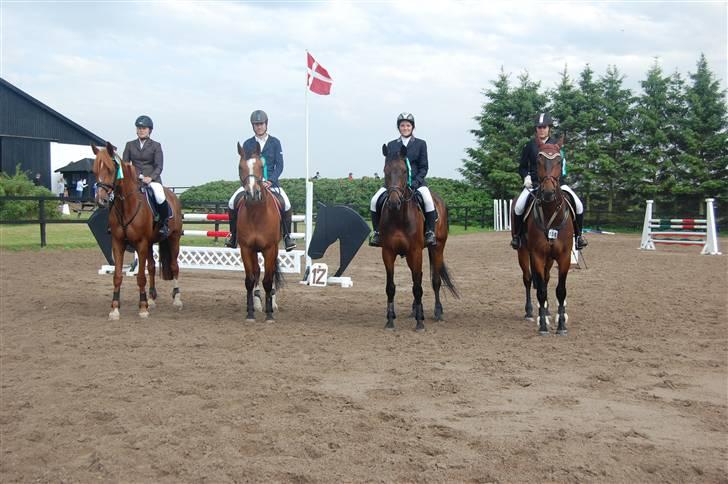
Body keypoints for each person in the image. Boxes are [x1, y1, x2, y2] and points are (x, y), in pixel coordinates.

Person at [511, 112, 588, 250]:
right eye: (539, 127)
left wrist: (558, 180)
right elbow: (522, 167)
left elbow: (562, 167)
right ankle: (517, 237)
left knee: (578, 204)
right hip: (535, 184)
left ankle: (578, 237)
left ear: (549, 128)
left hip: (557, 184)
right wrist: (526, 177)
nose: (542, 129)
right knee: (518, 207)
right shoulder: (529, 146)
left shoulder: (556, 145)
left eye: (544, 127)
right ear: (536, 129)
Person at [225, 110, 296, 251]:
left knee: (286, 204)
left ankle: (287, 237)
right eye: (256, 124)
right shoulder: (247, 143)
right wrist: (246, 183)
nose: (259, 127)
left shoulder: (275, 142)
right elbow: (244, 165)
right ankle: (233, 235)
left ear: (266, 124)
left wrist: (271, 180)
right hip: (251, 183)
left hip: (271, 183)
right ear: (253, 126)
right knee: (232, 202)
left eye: (261, 124)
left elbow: (279, 165)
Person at [369, 112, 437, 247]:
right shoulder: (392, 144)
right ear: (398, 127)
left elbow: (424, 167)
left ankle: (430, 232)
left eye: (408, 125)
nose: (405, 128)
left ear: (412, 127)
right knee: (374, 200)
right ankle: (377, 232)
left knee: (428, 200)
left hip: (416, 182)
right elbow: (388, 167)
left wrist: (416, 181)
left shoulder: (420, 144)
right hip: (394, 183)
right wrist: (390, 183)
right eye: (402, 125)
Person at [122, 115, 170, 239]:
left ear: (149, 130)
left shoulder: (156, 146)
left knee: (160, 196)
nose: (141, 130)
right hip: (134, 180)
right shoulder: (130, 145)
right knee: (117, 194)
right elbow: (125, 164)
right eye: (139, 128)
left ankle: (163, 224)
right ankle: (114, 224)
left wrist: (151, 178)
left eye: (144, 128)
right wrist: (134, 176)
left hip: (151, 180)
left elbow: (159, 166)